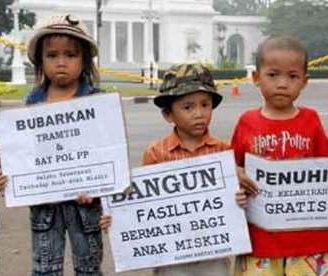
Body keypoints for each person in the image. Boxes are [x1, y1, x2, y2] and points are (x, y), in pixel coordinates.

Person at [100, 63, 247, 276]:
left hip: (214, 253)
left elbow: (235, 200)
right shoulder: (156, 153)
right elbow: (141, 206)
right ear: (168, 115)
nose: (199, 113)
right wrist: (119, 220)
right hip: (171, 256)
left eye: (205, 105)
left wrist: (240, 200)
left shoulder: (224, 151)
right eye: (188, 107)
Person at [0, 14, 104, 275]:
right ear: (40, 60)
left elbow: (106, 153)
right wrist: (7, 173)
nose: (61, 62)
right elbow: (22, 152)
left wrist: (99, 185)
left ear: (85, 60)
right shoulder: (32, 103)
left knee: (88, 268)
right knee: (45, 269)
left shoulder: (97, 101)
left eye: (70, 54)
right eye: (52, 55)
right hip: (45, 205)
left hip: (85, 205)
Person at [232, 36, 328, 276]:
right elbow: (231, 168)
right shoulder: (247, 122)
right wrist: (237, 174)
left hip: (308, 241)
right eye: (273, 75)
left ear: (304, 82)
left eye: (292, 76)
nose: (282, 84)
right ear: (256, 77)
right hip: (260, 240)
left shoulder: (312, 121)